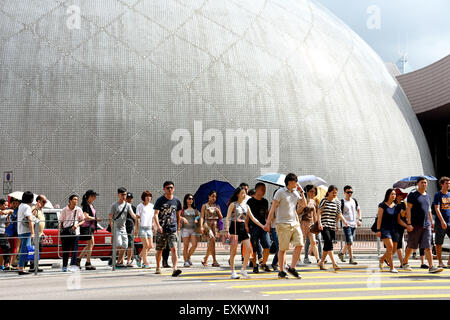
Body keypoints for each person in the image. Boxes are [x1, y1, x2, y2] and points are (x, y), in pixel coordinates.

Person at [264, 173, 307, 279]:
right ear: (289, 182)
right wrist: (268, 223)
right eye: (295, 181)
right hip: (282, 224)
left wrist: (301, 192)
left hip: (294, 223)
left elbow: (304, 204)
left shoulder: (296, 193)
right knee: (283, 248)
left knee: (300, 244)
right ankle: (282, 271)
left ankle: (292, 268)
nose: (297, 183)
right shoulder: (280, 192)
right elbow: (273, 209)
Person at [401, 177, 443, 273]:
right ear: (418, 184)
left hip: (426, 225)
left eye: (425, 183)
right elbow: (408, 209)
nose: (424, 184)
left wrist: (431, 222)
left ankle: (431, 266)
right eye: (422, 182)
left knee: (428, 246)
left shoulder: (427, 196)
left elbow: (428, 210)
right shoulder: (413, 195)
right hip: (415, 225)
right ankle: (405, 262)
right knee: (411, 246)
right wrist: (409, 223)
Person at [225, 187, 266, 279]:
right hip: (234, 227)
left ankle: (243, 269)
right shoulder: (233, 204)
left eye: (245, 193)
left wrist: (262, 226)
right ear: (237, 194)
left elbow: (253, 218)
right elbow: (227, 218)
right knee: (233, 251)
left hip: (242, 228)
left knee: (248, 249)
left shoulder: (246, 205)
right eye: (242, 193)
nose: (244, 195)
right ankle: (233, 271)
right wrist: (227, 229)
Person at [153, 181, 183, 277]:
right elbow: (156, 214)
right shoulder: (160, 200)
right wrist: (158, 226)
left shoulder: (177, 201)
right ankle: (158, 267)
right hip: (162, 229)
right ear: (164, 189)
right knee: (159, 249)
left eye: (171, 187)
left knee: (173, 248)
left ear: (173, 189)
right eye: (167, 188)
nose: (169, 189)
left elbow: (178, 215)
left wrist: (178, 228)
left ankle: (175, 268)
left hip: (172, 229)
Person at [317, 185, 348, 271]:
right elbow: (319, 212)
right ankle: (334, 264)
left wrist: (344, 221)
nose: (335, 194)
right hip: (324, 225)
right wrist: (319, 223)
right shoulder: (324, 200)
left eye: (336, 193)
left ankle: (321, 262)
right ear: (329, 192)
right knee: (329, 242)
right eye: (333, 193)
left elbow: (339, 214)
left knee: (327, 244)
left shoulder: (337, 202)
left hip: (332, 225)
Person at [246, 183, 272, 273]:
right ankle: (254, 265)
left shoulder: (265, 201)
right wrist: (246, 225)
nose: (264, 191)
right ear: (256, 190)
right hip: (253, 227)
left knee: (267, 245)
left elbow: (267, 213)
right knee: (254, 247)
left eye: (264, 189)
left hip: (263, 226)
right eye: (262, 189)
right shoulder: (250, 201)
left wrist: (269, 224)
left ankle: (263, 264)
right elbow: (248, 215)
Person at [109, 187, 136, 267]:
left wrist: (138, 217)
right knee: (119, 244)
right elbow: (110, 217)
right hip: (116, 227)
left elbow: (132, 215)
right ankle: (114, 259)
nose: (124, 196)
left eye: (125, 194)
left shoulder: (127, 205)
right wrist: (112, 228)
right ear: (118, 195)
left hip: (123, 227)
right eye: (123, 194)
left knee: (125, 245)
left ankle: (119, 262)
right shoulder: (114, 205)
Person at [375, 189, 399, 273]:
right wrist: (378, 230)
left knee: (393, 250)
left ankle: (382, 259)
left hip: (394, 229)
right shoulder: (382, 205)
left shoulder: (396, 206)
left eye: (395, 194)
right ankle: (392, 267)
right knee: (390, 247)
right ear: (388, 195)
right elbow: (379, 218)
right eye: (392, 194)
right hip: (385, 229)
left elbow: (399, 219)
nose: (394, 196)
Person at [59, 194, 85, 272]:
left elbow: (83, 220)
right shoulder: (64, 209)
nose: (76, 201)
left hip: (75, 232)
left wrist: (77, 225)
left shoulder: (78, 209)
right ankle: (64, 266)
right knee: (65, 250)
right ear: (70, 200)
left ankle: (73, 266)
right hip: (66, 232)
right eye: (74, 199)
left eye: (77, 199)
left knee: (74, 250)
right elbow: (61, 222)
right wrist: (61, 231)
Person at [338, 186, 362, 265]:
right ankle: (351, 258)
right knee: (350, 241)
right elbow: (339, 213)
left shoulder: (354, 200)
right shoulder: (342, 201)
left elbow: (358, 210)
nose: (350, 194)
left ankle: (341, 253)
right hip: (346, 224)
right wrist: (338, 223)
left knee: (350, 241)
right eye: (348, 192)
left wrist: (359, 219)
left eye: (351, 192)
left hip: (353, 224)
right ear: (344, 192)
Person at [78, 190, 101, 270]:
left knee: (90, 244)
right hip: (86, 227)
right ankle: (87, 263)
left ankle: (79, 259)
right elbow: (86, 216)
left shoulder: (91, 205)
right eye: (94, 196)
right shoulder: (86, 205)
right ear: (90, 196)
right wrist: (95, 219)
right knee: (91, 244)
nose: (95, 198)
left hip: (90, 227)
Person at [200, 190, 223, 267]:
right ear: (209, 196)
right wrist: (201, 226)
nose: (214, 198)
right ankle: (214, 260)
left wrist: (218, 210)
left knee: (212, 243)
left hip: (215, 225)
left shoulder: (217, 206)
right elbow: (202, 217)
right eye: (212, 196)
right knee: (212, 240)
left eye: (215, 196)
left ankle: (205, 259)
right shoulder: (205, 206)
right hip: (207, 225)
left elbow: (221, 217)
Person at [299, 185, 320, 264]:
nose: (313, 193)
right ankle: (298, 259)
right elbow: (297, 211)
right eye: (311, 191)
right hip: (303, 223)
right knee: (301, 242)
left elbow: (314, 214)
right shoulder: (301, 200)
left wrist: (316, 223)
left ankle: (318, 259)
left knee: (313, 242)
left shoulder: (313, 201)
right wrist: (303, 206)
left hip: (311, 224)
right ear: (306, 192)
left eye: (314, 192)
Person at [135, 190, 155, 269]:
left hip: (149, 228)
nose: (148, 198)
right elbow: (137, 218)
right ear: (143, 197)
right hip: (142, 228)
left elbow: (153, 217)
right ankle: (145, 262)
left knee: (150, 246)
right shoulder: (140, 206)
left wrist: (153, 225)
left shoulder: (152, 206)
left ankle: (139, 256)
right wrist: (137, 229)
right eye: (147, 196)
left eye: (150, 196)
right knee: (146, 245)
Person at [433, 176, 450, 268]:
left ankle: (449, 261)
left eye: (449, 183)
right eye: (447, 183)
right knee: (439, 243)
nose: (449, 185)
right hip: (440, 223)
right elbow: (437, 209)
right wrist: (442, 221)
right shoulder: (438, 195)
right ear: (442, 184)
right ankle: (440, 262)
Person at [17, 191, 35, 275]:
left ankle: (21, 267)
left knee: (23, 249)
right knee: (24, 250)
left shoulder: (21, 206)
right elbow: (30, 219)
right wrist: (32, 232)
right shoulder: (27, 207)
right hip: (26, 231)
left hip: (20, 230)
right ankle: (21, 268)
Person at [180, 194, 200, 267]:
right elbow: (179, 216)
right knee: (186, 246)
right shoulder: (183, 209)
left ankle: (188, 257)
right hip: (185, 229)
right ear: (186, 200)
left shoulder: (195, 209)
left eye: (191, 199)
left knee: (194, 245)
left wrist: (196, 219)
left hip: (193, 229)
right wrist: (182, 218)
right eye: (189, 198)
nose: (190, 200)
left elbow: (198, 216)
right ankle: (185, 261)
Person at [29, 195, 47, 272]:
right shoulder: (34, 208)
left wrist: (42, 232)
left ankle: (36, 266)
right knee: (34, 250)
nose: (44, 203)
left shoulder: (41, 210)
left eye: (45, 202)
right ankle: (33, 266)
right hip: (35, 234)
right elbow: (31, 217)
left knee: (38, 250)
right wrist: (36, 207)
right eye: (43, 201)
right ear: (38, 201)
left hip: (40, 234)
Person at [394, 188, 409, 269]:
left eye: (401, 195)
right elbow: (398, 219)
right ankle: (402, 263)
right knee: (399, 245)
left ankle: (385, 258)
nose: (400, 196)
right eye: (398, 195)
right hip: (395, 227)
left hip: (402, 227)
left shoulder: (403, 204)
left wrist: (406, 208)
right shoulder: (394, 205)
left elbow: (405, 215)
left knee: (399, 245)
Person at [5, 197, 20, 270]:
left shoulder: (19, 210)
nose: (15, 205)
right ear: (10, 203)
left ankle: (10, 264)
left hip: (16, 231)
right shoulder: (7, 210)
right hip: (7, 232)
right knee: (6, 249)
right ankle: (6, 264)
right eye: (13, 203)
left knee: (14, 248)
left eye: (17, 203)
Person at [125, 192, 137, 267]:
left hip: (130, 229)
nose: (129, 200)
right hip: (121, 228)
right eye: (128, 198)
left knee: (130, 245)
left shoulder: (134, 208)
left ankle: (128, 261)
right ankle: (114, 260)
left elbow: (136, 219)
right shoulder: (121, 206)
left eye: (130, 198)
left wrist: (136, 228)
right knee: (120, 245)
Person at [0, 199, 12, 270]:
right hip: (0, 233)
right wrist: (10, 211)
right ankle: (6, 264)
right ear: (0, 205)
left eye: (7, 205)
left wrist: (9, 217)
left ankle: (6, 264)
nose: (6, 206)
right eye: (5, 205)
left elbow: (7, 225)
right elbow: (2, 213)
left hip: (2, 232)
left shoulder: (6, 213)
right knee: (7, 247)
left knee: (7, 248)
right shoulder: (2, 212)